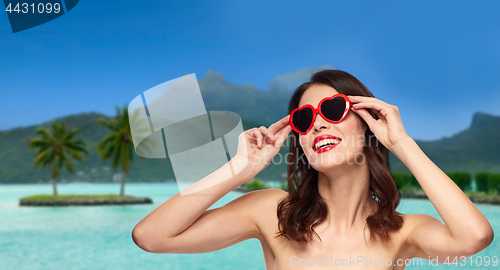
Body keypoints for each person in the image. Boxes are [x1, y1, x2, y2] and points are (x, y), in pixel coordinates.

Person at [132, 70, 493, 269]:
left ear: (368, 123)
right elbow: (151, 237)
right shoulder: (272, 212)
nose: (318, 125)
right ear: (300, 139)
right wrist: (239, 169)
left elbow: (473, 238)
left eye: (333, 110)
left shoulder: (403, 232)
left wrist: (401, 143)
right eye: (304, 119)